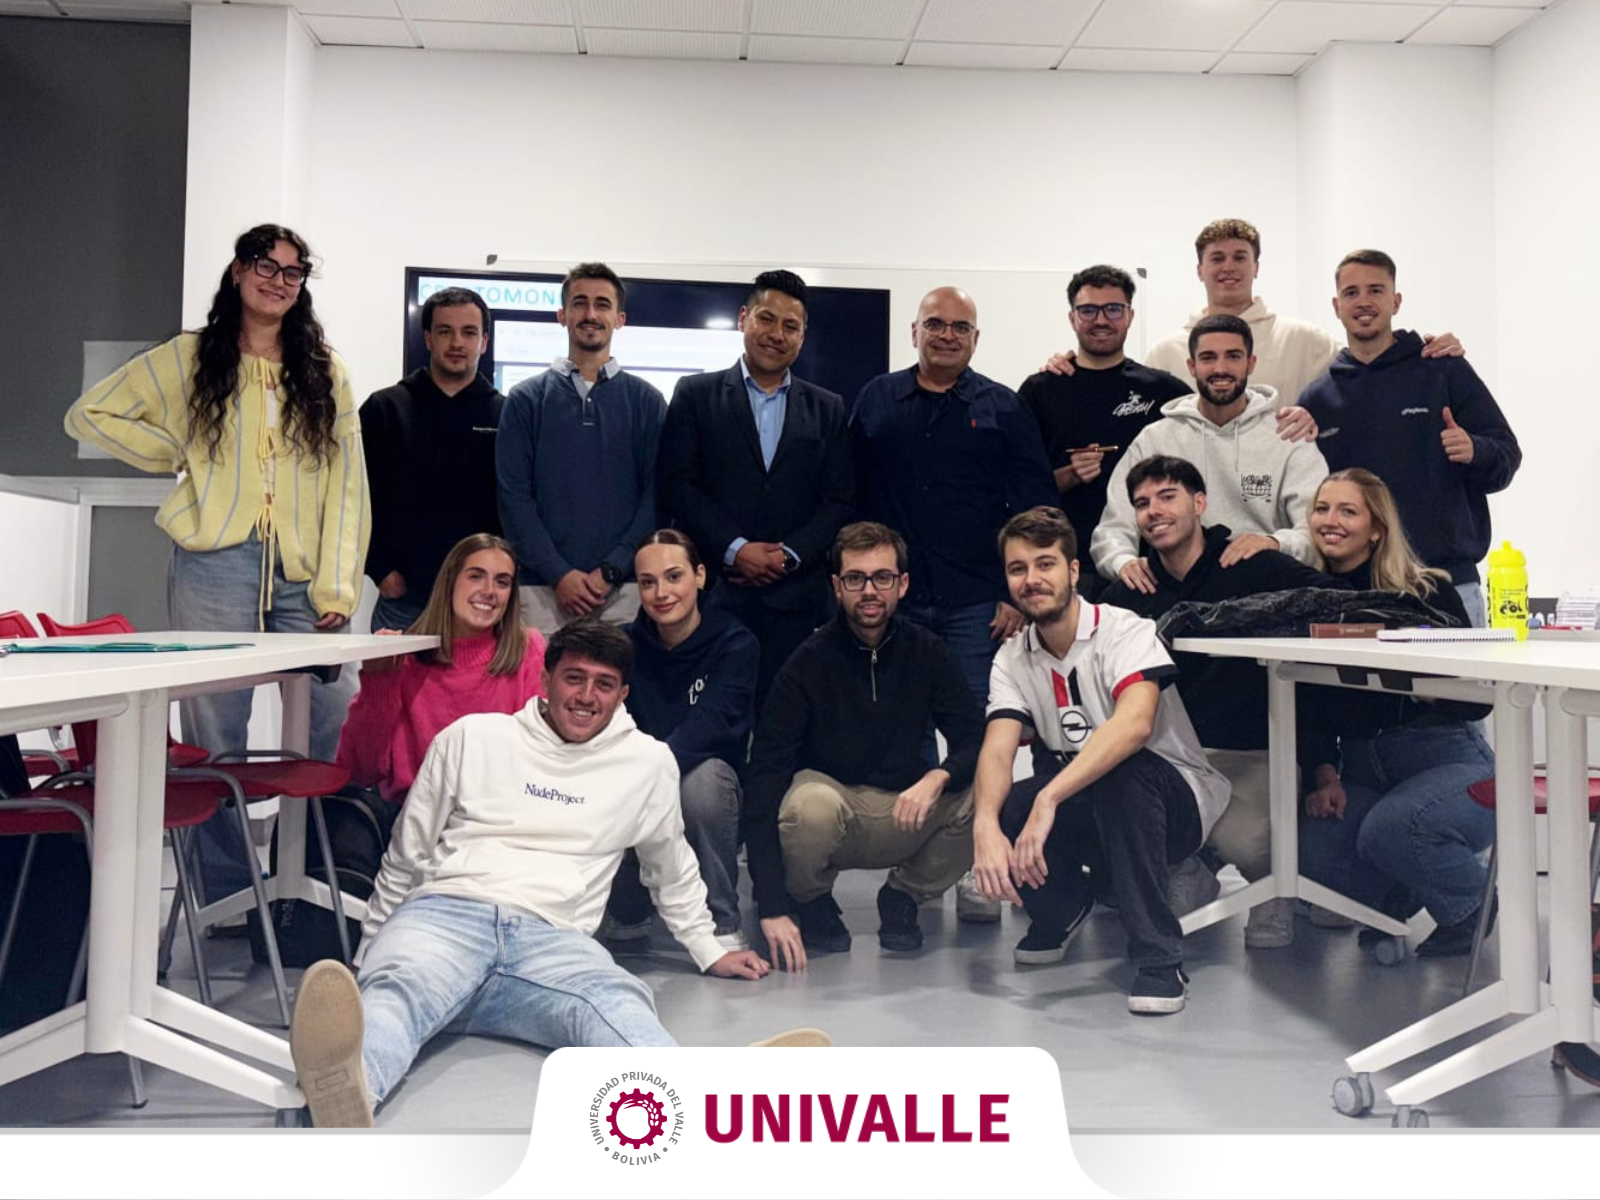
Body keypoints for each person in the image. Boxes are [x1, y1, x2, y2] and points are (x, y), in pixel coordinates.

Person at [286, 620, 801, 1128]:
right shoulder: (473, 738)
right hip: (446, 917)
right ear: (545, 679)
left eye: (604, 684)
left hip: (554, 941)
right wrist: (371, 949)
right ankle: (348, 1095)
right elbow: (408, 850)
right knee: (395, 991)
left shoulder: (647, 764)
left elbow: (671, 867)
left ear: (623, 694)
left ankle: (709, 1105)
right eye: (574, 678)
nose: (586, 697)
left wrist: (709, 948)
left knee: (615, 1000)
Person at [64, 223, 368, 903]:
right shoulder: (190, 357)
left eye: (293, 272)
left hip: (303, 572)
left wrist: (338, 582)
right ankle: (227, 893)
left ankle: (303, 870)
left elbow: (349, 484)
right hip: (213, 562)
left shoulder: (325, 370)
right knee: (215, 728)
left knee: (332, 707)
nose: (278, 280)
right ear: (238, 270)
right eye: (266, 265)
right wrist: (177, 448)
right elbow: (90, 414)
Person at [972, 507, 1230, 1015]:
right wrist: (983, 825)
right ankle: (1064, 908)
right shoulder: (1012, 656)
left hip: (1174, 801)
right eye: (1018, 568)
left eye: (1045, 564)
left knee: (1121, 776)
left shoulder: (1124, 629)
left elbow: (1135, 726)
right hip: (1093, 801)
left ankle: (1160, 958)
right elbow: (997, 749)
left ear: (1073, 571)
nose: (1031, 579)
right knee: (1006, 803)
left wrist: (1049, 796)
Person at [1101, 455, 1346, 948]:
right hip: (1173, 757)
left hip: (1254, 751)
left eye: (1167, 497)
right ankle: (1193, 865)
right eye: (1142, 504)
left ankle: (1273, 886)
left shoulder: (1249, 563)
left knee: (1249, 843)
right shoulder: (1136, 587)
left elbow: (1336, 599)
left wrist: (1321, 760)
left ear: (1199, 503)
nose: (1154, 511)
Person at [742, 523, 984, 967]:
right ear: (837, 587)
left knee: (987, 792)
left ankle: (902, 897)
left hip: (904, 810)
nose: (869, 591)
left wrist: (939, 775)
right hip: (834, 811)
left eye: (882, 577)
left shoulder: (927, 652)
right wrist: (772, 905)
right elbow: (764, 779)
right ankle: (811, 900)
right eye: (855, 578)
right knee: (808, 807)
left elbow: (974, 739)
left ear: (902, 584)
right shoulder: (806, 663)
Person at [1296, 469, 1496, 958]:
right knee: (1307, 847)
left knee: (1394, 828)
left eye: (1347, 511)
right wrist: (1325, 776)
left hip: (1446, 757)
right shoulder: (1305, 600)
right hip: (1361, 766)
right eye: (1322, 508)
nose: (1330, 520)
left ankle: (1472, 907)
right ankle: (1396, 901)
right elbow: (1306, 706)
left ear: (1377, 528)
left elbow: (1477, 699)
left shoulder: (1428, 592)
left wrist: (1420, 681)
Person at [657, 269, 854, 712]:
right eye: (766, 318)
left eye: (790, 326)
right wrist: (736, 549)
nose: (776, 334)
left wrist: (789, 555)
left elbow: (840, 499)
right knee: (711, 720)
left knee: (789, 724)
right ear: (744, 318)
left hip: (798, 603)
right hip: (716, 595)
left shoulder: (827, 407)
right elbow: (678, 486)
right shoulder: (695, 394)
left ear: (802, 336)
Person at [851, 286, 1057, 703]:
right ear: (915, 332)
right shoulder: (877, 398)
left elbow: (1035, 511)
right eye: (935, 324)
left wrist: (1014, 595)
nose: (948, 335)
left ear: (975, 339)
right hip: (892, 597)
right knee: (895, 720)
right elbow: (848, 495)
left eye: (960, 327)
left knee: (976, 720)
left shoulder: (1005, 407)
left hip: (979, 605)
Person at [1298, 250, 1522, 625]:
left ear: (1396, 301)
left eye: (1375, 290)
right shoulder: (1317, 399)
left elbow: (1506, 457)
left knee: (1462, 670)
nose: (1364, 301)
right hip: (1355, 594)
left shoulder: (1443, 370)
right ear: (1336, 306)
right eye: (1351, 293)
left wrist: (1475, 450)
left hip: (1448, 583)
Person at [1090, 314, 1329, 594]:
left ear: (1251, 363)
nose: (1220, 368)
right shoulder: (1155, 438)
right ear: (1191, 366)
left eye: (1233, 356)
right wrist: (1122, 561)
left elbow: (1317, 530)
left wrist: (1275, 543)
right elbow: (1113, 527)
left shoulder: (1288, 435)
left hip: (1266, 586)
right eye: (1208, 358)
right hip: (1178, 588)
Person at [602, 530, 759, 951]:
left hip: (698, 787)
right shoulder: (622, 646)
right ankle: (630, 907)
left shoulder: (735, 643)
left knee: (703, 784)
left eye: (674, 577)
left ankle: (720, 922)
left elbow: (710, 727)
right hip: (635, 784)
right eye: (648, 582)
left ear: (700, 576)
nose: (661, 593)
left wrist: (649, 775)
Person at [496, 262, 666, 635]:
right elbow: (513, 499)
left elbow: (656, 498)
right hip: (541, 591)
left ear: (619, 319)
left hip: (624, 591)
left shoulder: (648, 402)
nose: (591, 314)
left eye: (602, 304)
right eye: (580, 303)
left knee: (620, 676)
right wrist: (559, 574)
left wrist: (611, 570)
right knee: (541, 678)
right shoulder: (525, 400)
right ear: (562, 315)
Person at [1017, 266, 1191, 595]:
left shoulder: (1164, 391)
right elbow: (1016, 487)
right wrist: (1068, 475)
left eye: (1113, 309)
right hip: (1064, 564)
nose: (1101, 320)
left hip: (1149, 565)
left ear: (1130, 316)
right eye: (1088, 310)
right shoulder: (1039, 391)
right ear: (1072, 317)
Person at [336, 533, 546, 804]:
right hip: (417, 811)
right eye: (475, 576)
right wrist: (379, 681)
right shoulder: (404, 656)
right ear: (450, 582)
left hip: (501, 809)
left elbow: (538, 756)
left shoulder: (528, 649)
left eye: (502, 582)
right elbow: (362, 771)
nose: (489, 591)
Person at [360, 287, 504, 633]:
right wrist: (379, 569)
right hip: (404, 600)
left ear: (484, 342)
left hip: (482, 601)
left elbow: (515, 503)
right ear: (428, 338)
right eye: (445, 331)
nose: (457, 342)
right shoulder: (385, 408)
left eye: (469, 332)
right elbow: (356, 499)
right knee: (395, 674)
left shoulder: (507, 414)